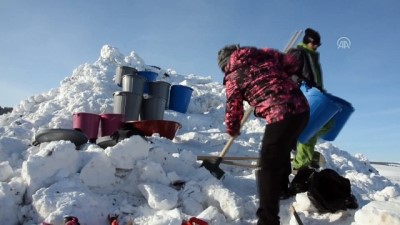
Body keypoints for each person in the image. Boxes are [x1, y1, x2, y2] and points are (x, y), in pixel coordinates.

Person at [217, 44, 310, 225]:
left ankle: (268, 220)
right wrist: (279, 74)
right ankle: (282, 190)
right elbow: (291, 62)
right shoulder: (262, 55)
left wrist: (233, 128)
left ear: (225, 64)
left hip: (281, 113)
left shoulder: (233, 77)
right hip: (301, 108)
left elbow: (233, 109)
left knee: (267, 165)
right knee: (279, 153)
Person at [287, 28, 334, 171]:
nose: (317, 47)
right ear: (308, 42)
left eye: (318, 45)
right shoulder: (298, 53)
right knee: (310, 130)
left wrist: (321, 91)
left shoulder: (313, 58)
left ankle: (296, 143)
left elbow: (315, 80)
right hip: (301, 97)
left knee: (328, 124)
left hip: (314, 97)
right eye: (315, 44)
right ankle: (300, 166)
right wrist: (298, 81)